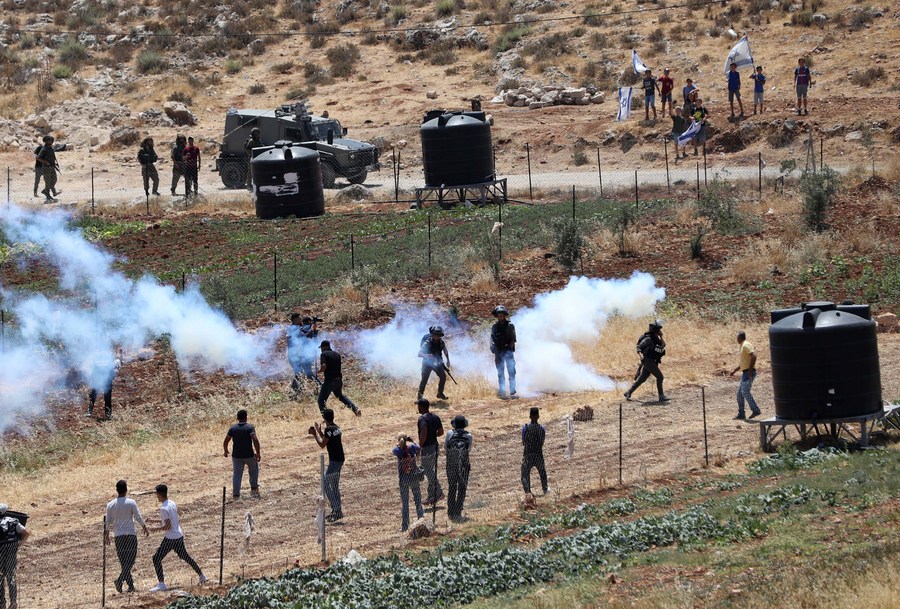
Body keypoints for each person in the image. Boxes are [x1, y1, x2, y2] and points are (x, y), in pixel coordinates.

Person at [148, 484, 207, 593]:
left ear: (159, 494)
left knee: (156, 558)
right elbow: (173, 518)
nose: (156, 496)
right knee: (185, 557)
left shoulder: (163, 508)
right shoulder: (171, 503)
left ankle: (161, 584)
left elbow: (167, 526)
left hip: (170, 538)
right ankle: (202, 575)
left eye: (156, 494)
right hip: (178, 535)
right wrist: (153, 520)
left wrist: (154, 529)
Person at [104, 480, 149, 594]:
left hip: (118, 536)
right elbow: (137, 516)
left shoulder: (110, 505)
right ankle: (120, 581)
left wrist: (107, 534)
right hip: (130, 535)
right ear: (126, 489)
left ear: (116, 490)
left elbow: (107, 521)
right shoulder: (131, 502)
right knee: (130, 560)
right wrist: (144, 526)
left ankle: (130, 585)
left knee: (124, 562)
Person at [309, 409, 345, 522]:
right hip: (339, 459)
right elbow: (328, 439)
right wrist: (320, 432)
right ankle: (337, 511)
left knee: (325, 483)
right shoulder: (336, 428)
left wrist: (315, 434)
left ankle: (336, 509)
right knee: (334, 485)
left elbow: (322, 444)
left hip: (334, 460)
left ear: (324, 418)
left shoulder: (329, 430)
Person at [624, 320, 669, 403]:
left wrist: (661, 336)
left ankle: (628, 392)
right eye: (659, 330)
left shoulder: (656, 339)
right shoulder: (648, 339)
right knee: (660, 377)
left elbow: (663, 345)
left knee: (642, 379)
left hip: (653, 361)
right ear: (656, 331)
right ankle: (661, 396)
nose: (660, 331)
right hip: (649, 361)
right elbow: (639, 347)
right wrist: (641, 356)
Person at [223, 409, 261, 499]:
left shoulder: (233, 428)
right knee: (253, 471)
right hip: (249, 455)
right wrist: (258, 453)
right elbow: (255, 440)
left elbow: (226, 440)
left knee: (237, 475)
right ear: (246, 417)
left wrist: (225, 450)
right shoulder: (250, 427)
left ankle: (236, 494)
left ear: (237, 418)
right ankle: (254, 489)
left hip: (236, 456)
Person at [317, 340, 361, 416]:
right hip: (338, 380)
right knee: (340, 396)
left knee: (321, 400)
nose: (321, 350)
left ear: (323, 347)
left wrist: (320, 370)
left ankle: (326, 418)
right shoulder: (337, 354)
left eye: (321, 348)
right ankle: (355, 409)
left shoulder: (323, 354)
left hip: (329, 381)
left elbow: (324, 366)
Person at [392, 434, 424, 532]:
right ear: (407, 439)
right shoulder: (412, 447)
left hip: (404, 479)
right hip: (414, 477)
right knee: (418, 501)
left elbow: (394, 451)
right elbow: (418, 447)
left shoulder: (397, 450)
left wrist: (399, 444)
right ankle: (421, 520)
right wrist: (412, 440)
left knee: (405, 504)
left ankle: (405, 526)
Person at [0, 503, 29, 609]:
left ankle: (2, 604)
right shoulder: (14, 521)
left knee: (0, 578)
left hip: (1, 551)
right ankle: (13, 602)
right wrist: (20, 544)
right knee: (11, 576)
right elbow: (26, 533)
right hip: (12, 551)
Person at [445, 414, 472, 522]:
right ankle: (458, 511)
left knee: (452, 486)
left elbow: (446, 447)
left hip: (451, 463)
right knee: (462, 487)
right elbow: (468, 449)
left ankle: (450, 512)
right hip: (464, 464)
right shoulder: (469, 435)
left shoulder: (450, 433)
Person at [417, 398, 444, 505]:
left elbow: (423, 432)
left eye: (418, 406)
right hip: (435, 446)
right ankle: (431, 496)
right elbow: (441, 432)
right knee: (430, 471)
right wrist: (432, 435)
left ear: (421, 407)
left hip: (427, 448)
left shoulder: (422, 419)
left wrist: (419, 446)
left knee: (428, 471)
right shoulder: (435, 417)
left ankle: (438, 492)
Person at [730, 331, 761, 420]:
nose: (736, 339)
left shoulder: (746, 345)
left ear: (740, 338)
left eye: (737, 337)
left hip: (748, 372)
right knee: (740, 394)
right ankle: (741, 414)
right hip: (745, 372)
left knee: (745, 392)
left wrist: (750, 371)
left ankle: (755, 410)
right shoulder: (742, 346)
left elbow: (754, 356)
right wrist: (734, 371)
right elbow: (743, 363)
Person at [287, 314, 319, 396]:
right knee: (301, 373)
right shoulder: (292, 329)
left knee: (301, 373)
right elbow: (303, 336)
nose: (300, 320)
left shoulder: (298, 328)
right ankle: (321, 386)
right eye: (299, 319)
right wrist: (311, 329)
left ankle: (295, 392)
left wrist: (314, 330)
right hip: (294, 355)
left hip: (299, 355)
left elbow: (310, 336)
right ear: (295, 320)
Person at [490, 305, 517, 399]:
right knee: (500, 372)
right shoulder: (494, 326)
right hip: (498, 351)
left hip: (508, 350)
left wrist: (509, 349)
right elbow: (492, 337)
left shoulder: (510, 325)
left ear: (505, 315)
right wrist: (492, 346)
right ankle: (502, 389)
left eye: (502, 315)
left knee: (511, 370)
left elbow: (513, 339)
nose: (500, 317)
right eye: (498, 315)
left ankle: (512, 388)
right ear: (496, 316)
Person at [417, 325, 450, 401]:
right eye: (435, 335)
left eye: (439, 335)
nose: (437, 337)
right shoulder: (428, 342)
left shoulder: (441, 342)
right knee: (424, 380)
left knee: (443, 377)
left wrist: (448, 360)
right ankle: (419, 397)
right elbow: (419, 354)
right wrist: (427, 356)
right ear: (432, 334)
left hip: (437, 363)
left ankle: (440, 393)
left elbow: (445, 351)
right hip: (427, 364)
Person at [521, 407, 548, 496]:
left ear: (530, 416)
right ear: (538, 416)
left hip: (528, 455)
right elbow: (542, 442)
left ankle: (528, 492)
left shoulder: (525, 428)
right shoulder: (541, 428)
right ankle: (545, 490)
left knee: (525, 474)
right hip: (538, 454)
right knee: (542, 472)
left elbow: (523, 442)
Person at [87, 349, 121, 421]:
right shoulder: (106, 356)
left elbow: (112, 367)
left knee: (98, 396)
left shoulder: (105, 356)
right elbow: (113, 368)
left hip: (104, 379)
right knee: (96, 396)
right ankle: (106, 414)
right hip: (101, 378)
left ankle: (92, 412)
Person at [36, 134, 59, 202]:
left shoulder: (51, 148)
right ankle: (48, 197)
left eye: (51, 140)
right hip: (46, 168)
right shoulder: (44, 149)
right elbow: (38, 158)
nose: (50, 142)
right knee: (48, 182)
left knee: (54, 179)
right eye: (49, 140)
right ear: (46, 141)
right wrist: (45, 162)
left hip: (52, 167)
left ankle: (45, 191)